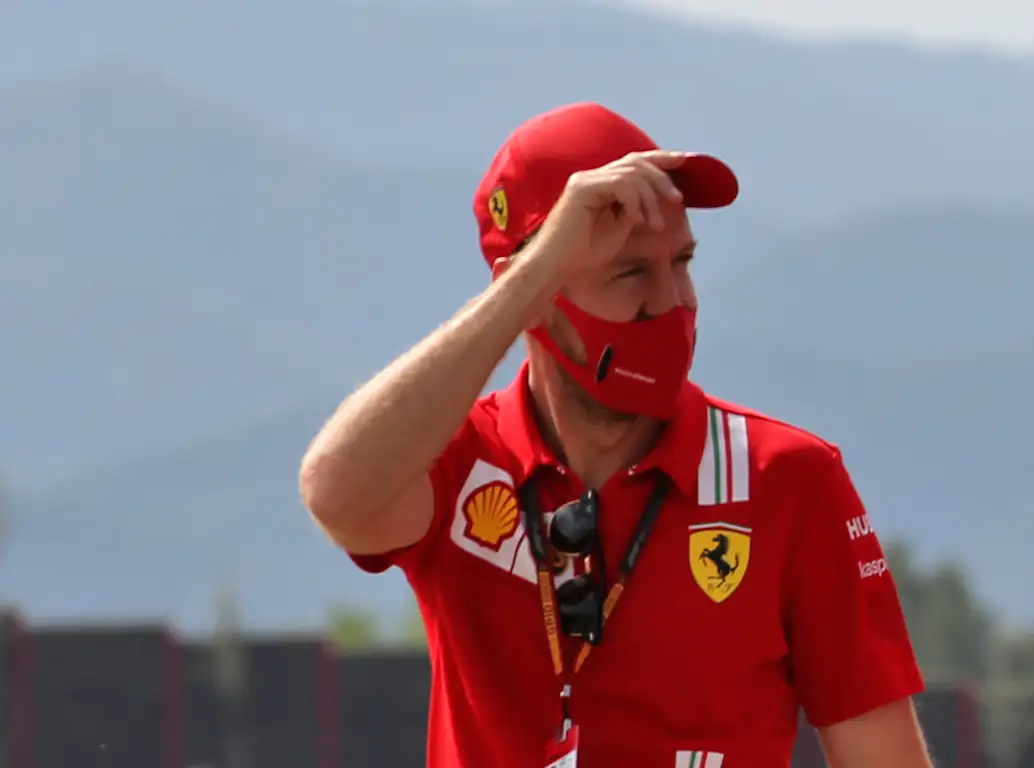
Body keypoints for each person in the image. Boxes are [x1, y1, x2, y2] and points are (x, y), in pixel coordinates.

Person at [299, 102, 931, 768]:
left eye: (681, 262)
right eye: (631, 273)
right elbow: (336, 495)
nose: (672, 301)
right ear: (531, 293)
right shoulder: (458, 463)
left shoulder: (788, 479)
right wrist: (530, 278)